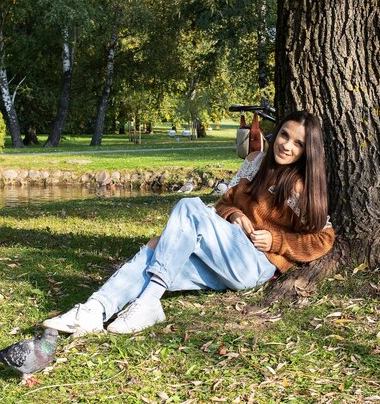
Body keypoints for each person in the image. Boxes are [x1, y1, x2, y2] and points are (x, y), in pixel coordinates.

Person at [43, 110, 335, 336]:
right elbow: (224, 203)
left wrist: (277, 241)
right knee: (158, 250)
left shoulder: (301, 187)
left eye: (298, 144)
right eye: (284, 135)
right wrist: (236, 215)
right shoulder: (256, 162)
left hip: (254, 264)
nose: (287, 146)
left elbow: (323, 239)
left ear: (307, 151)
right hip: (224, 253)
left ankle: (148, 302)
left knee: (188, 206)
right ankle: (95, 310)